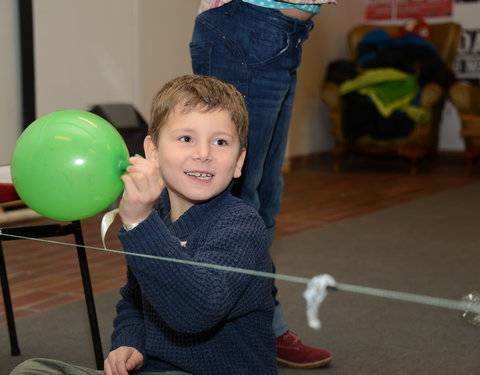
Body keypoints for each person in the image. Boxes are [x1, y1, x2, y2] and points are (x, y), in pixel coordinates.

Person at [10, 75, 277, 374]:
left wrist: (139, 222)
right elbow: (136, 300)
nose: (204, 154)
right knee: (33, 370)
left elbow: (196, 312)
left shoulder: (241, 225)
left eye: (220, 142)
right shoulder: (157, 215)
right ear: (152, 151)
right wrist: (129, 343)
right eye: (186, 138)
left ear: (239, 161)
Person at [190, 0, 335, 369]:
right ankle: (225, 330)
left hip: (276, 37)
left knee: (265, 196)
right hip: (246, 31)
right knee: (234, 197)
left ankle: (258, 325)